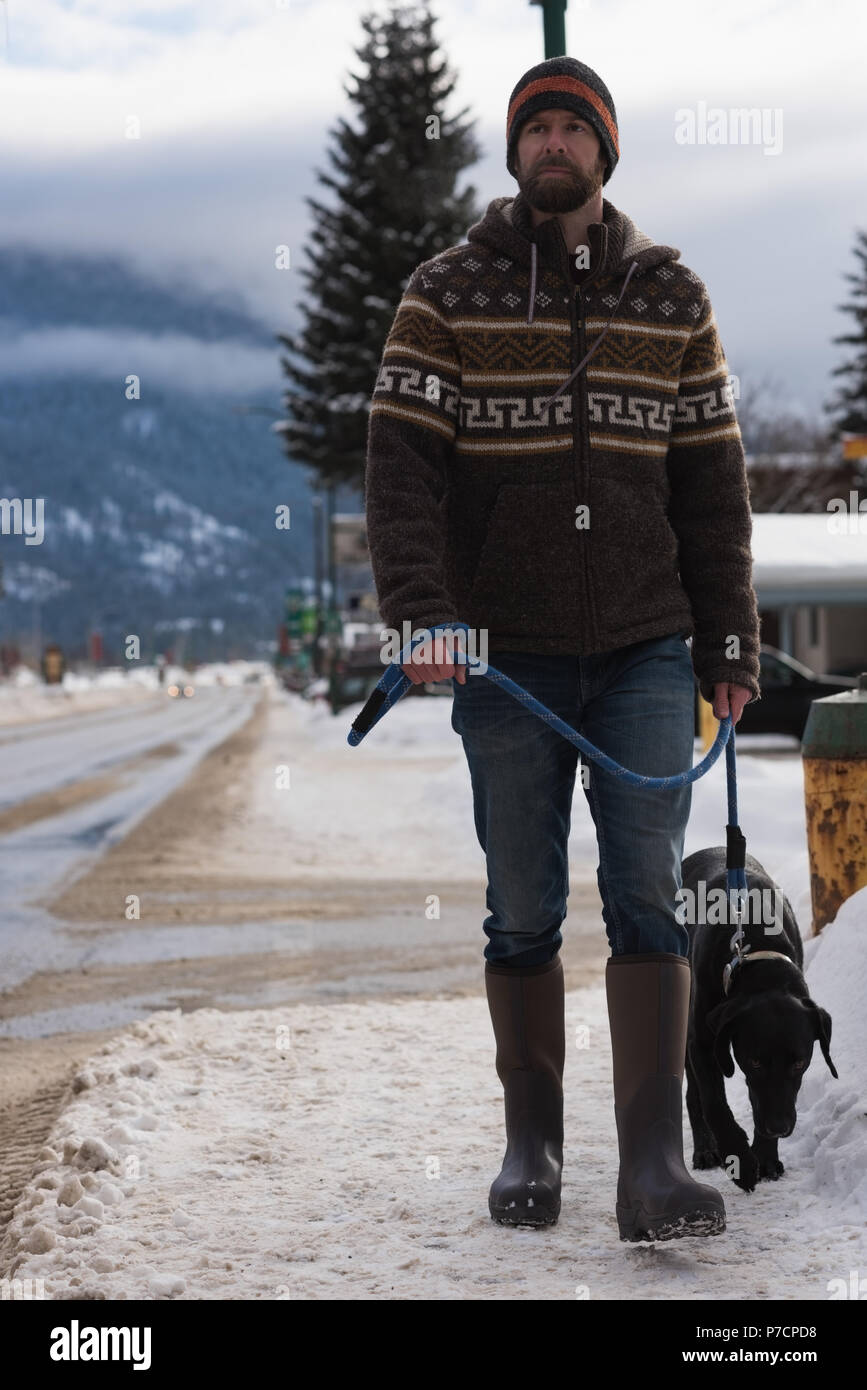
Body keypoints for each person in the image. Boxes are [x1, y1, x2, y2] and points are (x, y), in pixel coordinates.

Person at [363, 56, 762, 1243]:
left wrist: (728, 634)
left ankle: (653, 1169)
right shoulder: (445, 292)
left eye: (572, 127)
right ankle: (531, 1143)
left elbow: (714, 485)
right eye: (533, 126)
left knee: (646, 891)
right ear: (513, 152)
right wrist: (423, 611)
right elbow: (401, 471)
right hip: (502, 656)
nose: (552, 143)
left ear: (606, 151)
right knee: (522, 904)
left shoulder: (671, 292)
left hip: (646, 646)